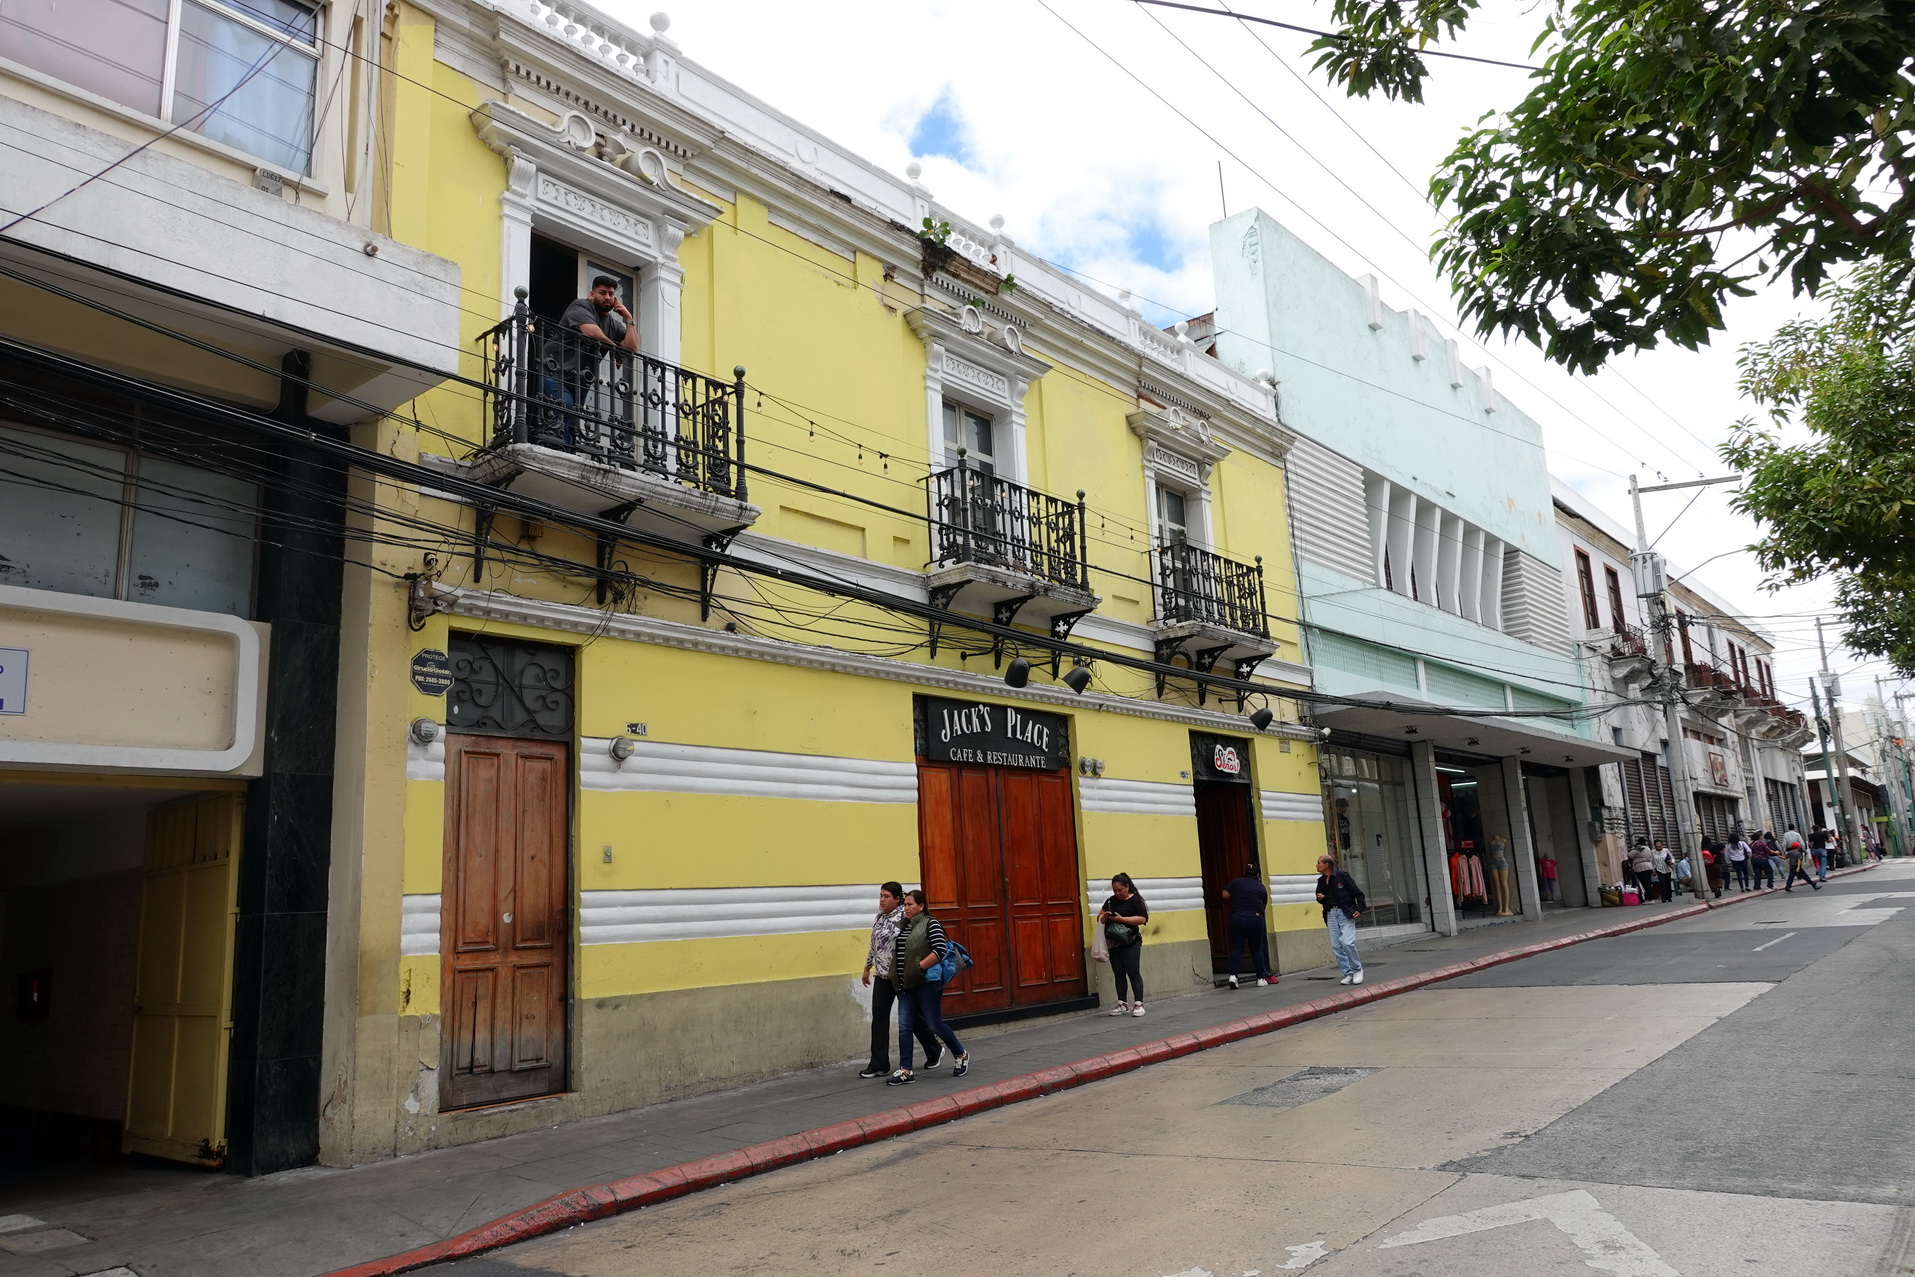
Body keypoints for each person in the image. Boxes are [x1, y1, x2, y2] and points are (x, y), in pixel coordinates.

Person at [886, 889, 968, 1085]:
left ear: (921, 906)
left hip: (925, 984)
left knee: (934, 1025)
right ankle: (906, 1070)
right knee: (905, 1027)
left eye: (910, 904)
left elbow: (939, 949)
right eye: (905, 905)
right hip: (905, 985)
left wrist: (920, 966)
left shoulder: (931, 923)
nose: (906, 908)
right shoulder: (904, 926)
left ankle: (961, 1054)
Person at [859, 882, 940, 1079]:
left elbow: (918, 941)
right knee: (879, 1019)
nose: (882, 900)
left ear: (897, 899)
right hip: (882, 976)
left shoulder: (905, 917)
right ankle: (879, 1064)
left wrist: (918, 966)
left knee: (912, 1018)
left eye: (886, 896)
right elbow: (874, 945)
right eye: (880, 896)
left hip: (902, 975)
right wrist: (867, 967)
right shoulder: (880, 918)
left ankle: (934, 1049)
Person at [543, 275, 639, 439]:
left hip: (580, 381)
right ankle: (558, 448)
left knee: (572, 423)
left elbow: (631, 347)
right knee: (565, 408)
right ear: (592, 294)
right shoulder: (580, 306)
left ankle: (567, 451)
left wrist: (629, 319)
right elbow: (592, 332)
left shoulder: (613, 325)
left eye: (611, 294)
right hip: (555, 370)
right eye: (602, 292)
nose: (607, 297)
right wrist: (615, 349)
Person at [1099, 873, 1150, 1016]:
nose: (1117, 893)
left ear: (1127, 887)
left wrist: (1122, 919)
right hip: (1113, 943)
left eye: (1120, 890)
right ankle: (1122, 1003)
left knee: (1133, 973)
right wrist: (1104, 917)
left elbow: (1142, 919)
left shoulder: (1136, 900)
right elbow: (1099, 917)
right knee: (1119, 974)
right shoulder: (1110, 901)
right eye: (1114, 890)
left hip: (1131, 942)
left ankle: (1138, 1003)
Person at [1315, 854, 1367, 985]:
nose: (1316, 865)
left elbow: (1358, 893)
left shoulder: (1342, 876)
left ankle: (1357, 969)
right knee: (1336, 946)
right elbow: (1320, 898)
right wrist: (1320, 898)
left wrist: (1360, 908)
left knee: (1346, 942)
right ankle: (1347, 973)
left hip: (1345, 913)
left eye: (1319, 863)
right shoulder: (1321, 881)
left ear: (1326, 865)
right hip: (1330, 913)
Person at [1221, 862, 1274, 989]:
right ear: (1258, 875)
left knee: (1237, 947)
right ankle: (1260, 978)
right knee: (1256, 949)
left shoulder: (1236, 882)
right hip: (1255, 918)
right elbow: (1263, 906)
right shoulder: (1261, 887)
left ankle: (1233, 976)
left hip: (1237, 917)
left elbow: (1225, 895)